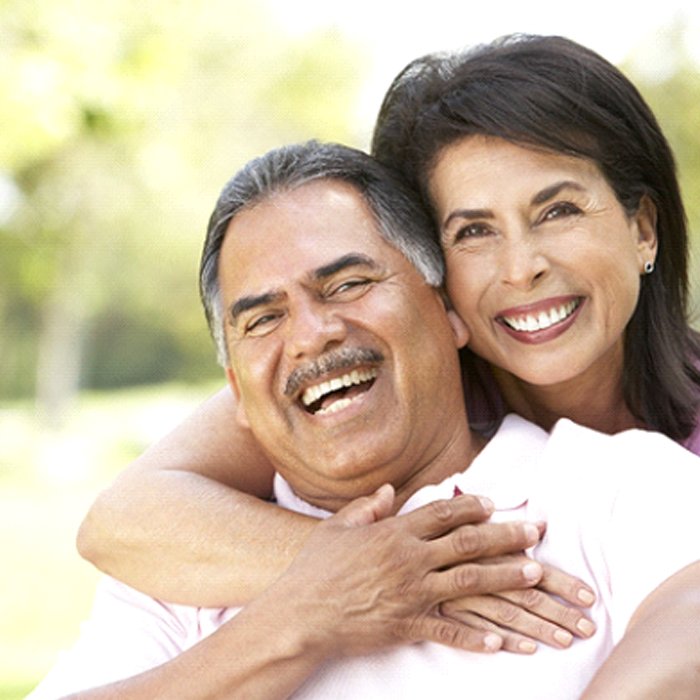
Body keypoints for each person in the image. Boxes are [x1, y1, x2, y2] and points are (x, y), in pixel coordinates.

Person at [76, 34, 700, 641]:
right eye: (473, 232)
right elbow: (123, 520)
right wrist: (393, 568)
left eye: (557, 211)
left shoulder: (650, 477)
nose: (521, 267)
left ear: (643, 229)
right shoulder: (400, 389)